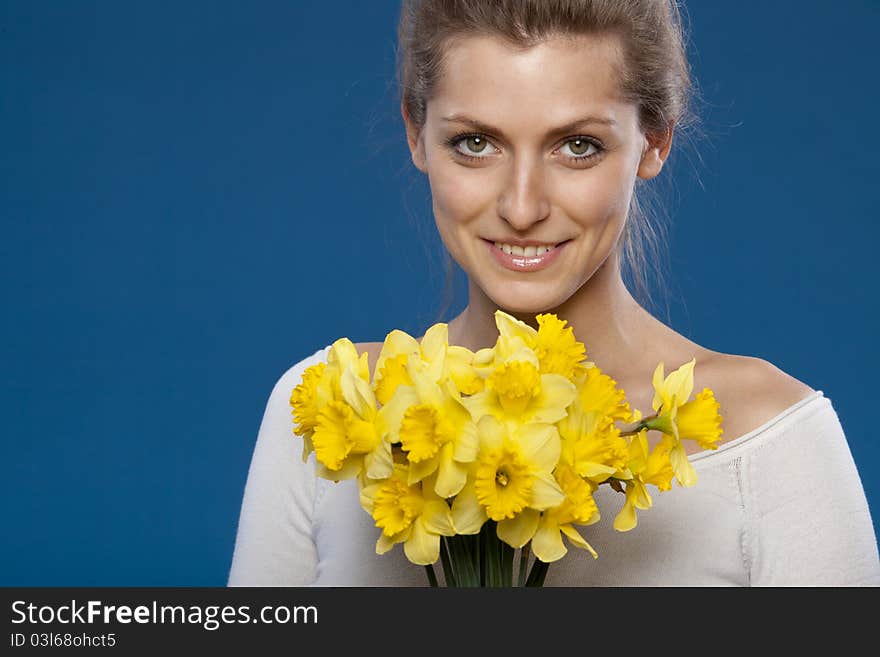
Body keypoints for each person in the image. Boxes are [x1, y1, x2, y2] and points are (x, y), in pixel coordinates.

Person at [227, 0, 880, 586]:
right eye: (475, 143)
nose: (521, 206)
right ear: (415, 133)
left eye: (577, 146)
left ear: (654, 141)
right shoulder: (329, 410)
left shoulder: (773, 444)